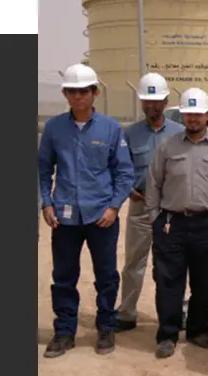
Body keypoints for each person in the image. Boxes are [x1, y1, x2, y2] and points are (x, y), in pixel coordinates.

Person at [38, 63, 134, 358]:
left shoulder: (111, 128)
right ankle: (64, 331)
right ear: (65, 94)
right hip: (65, 218)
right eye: (72, 91)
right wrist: (46, 201)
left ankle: (105, 327)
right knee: (64, 276)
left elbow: (124, 173)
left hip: (101, 217)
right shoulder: (54, 128)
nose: (77, 96)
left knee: (106, 275)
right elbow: (43, 169)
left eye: (83, 91)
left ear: (95, 92)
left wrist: (114, 207)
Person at [145, 87, 208, 358]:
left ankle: (199, 330)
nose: (193, 119)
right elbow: (153, 183)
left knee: (204, 281)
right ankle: (167, 334)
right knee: (168, 281)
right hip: (171, 224)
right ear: (183, 116)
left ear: (207, 115)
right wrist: (155, 217)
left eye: (198, 114)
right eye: (188, 114)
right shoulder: (168, 146)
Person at [114, 72, 184, 333]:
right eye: (146, 101)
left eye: (156, 101)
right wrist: (128, 188)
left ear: (166, 101)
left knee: (173, 264)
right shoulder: (129, 134)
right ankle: (127, 313)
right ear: (141, 102)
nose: (151, 106)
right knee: (134, 262)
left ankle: (174, 313)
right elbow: (120, 167)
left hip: (171, 210)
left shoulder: (179, 133)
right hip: (140, 207)